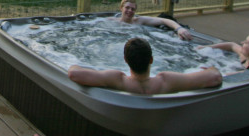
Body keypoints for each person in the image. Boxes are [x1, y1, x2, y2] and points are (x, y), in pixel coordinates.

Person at [68, 37, 222, 95]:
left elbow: (74, 74)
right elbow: (215, 77)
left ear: (125, 60)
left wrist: (76, 65)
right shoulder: (166, 81)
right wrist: (211, 69)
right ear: (151, 60)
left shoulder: (118, 80)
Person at [115, 0, 193, 40]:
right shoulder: (112, 21)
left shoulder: (139, 20)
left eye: (132, 9)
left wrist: (179, 28)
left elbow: (164, 20)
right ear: (121, 8)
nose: (130, 11)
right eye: (127, 8)